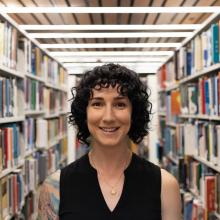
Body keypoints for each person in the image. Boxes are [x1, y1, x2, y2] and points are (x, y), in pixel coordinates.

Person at [38, 63, 181, 220]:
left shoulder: (165, 185)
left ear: (134, 113)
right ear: (84, 114)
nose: (108, 117)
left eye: (120, 104)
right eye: (97, 104)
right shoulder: (54, 187)